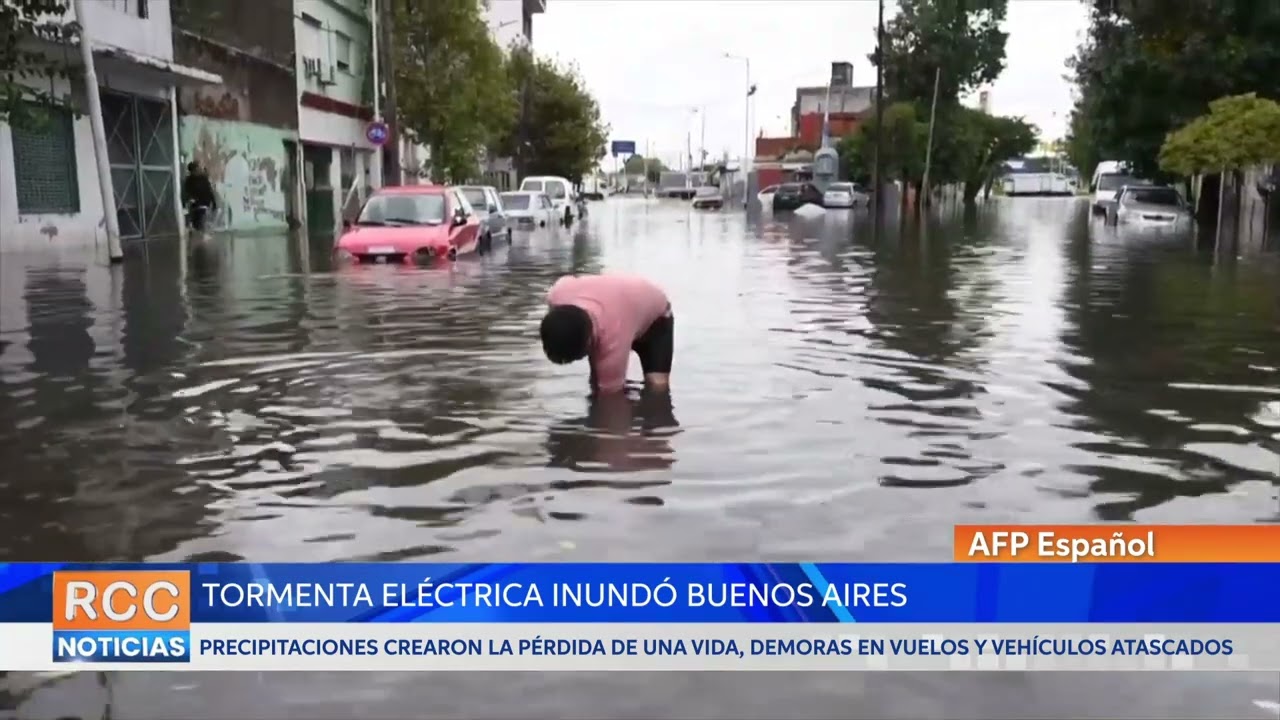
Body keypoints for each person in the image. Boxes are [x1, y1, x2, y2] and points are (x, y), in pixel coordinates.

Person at [540, 273, 673, 395]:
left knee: (657, 389)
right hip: (620, 307)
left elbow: (610, 397)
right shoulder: (558, 294)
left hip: (655, 322)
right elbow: (564, 281)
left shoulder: (613, 338)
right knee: (597, 383)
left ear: (589, 341)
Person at [182, 161, 218, 232]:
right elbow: (186, 192)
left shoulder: (203, 179)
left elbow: (209, 190)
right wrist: (187, 201)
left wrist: (214, 203)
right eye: (197, 169)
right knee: (197, 223)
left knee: (201, 221)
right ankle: (200, 235)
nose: (198, 170)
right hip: (195, 205)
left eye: (198, 168)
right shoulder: (189, 180)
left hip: (203, 204)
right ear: (192, 171)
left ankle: (201, 234)